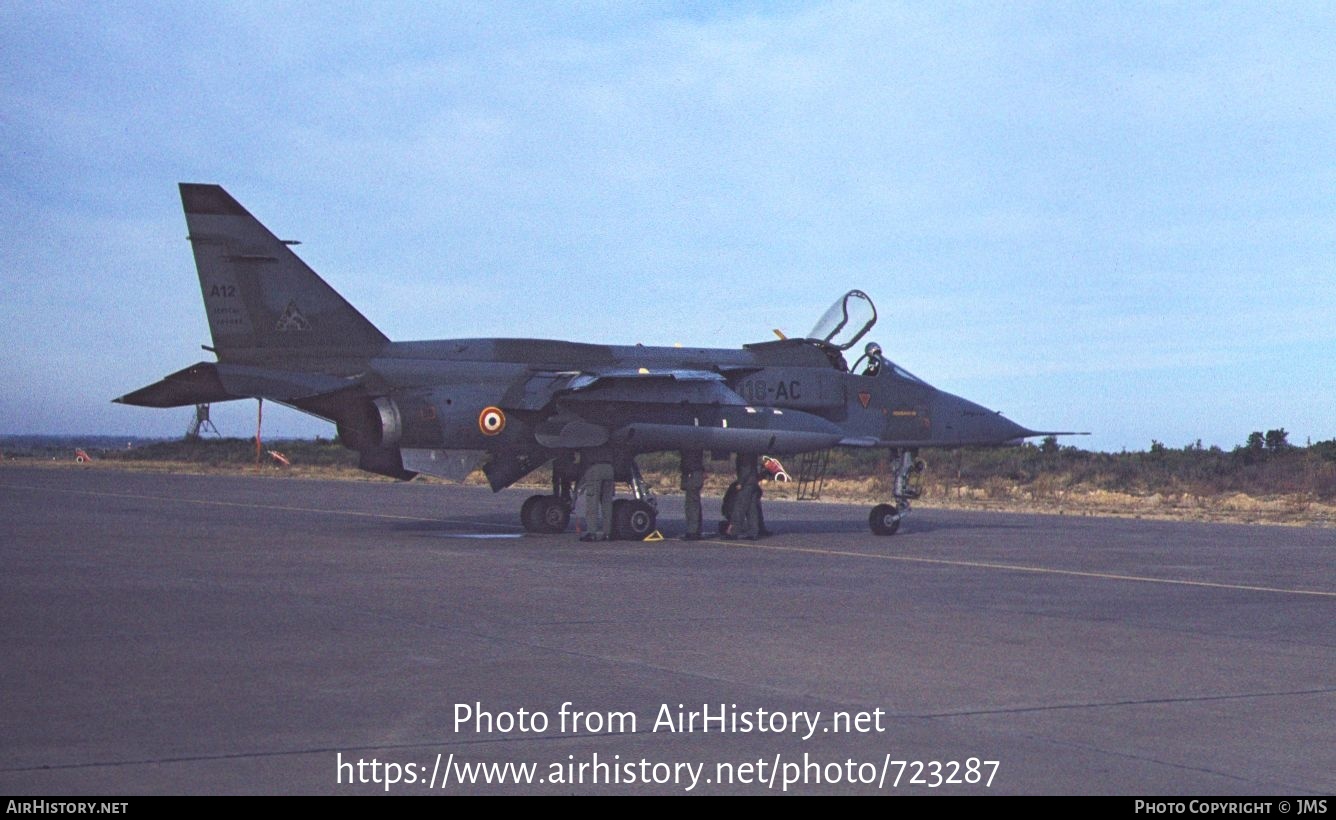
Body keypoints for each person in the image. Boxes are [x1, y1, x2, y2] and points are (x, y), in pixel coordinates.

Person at [578, 452, 615, 541]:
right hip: (609, 468)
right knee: (607, 503)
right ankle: (607, 533)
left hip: (595, 468)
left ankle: (592, 533)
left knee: (592, 502)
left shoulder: (591, 439)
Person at [726, 453, 761, 540]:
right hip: (753, 482)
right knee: (751, 508)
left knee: (740, 506)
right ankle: (754, 532)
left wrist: (741, 482)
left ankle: (733, 532)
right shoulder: (752, 452)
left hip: (746, 483)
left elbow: (746, 468)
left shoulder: (745, 453)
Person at [679, 450, 705, 541]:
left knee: (692, 506)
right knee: (693, 504)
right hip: (694, 477)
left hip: (693, 478)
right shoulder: (695, 449)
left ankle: (693, 531)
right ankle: (695, 530)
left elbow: (688, 465)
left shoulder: (692, 451)